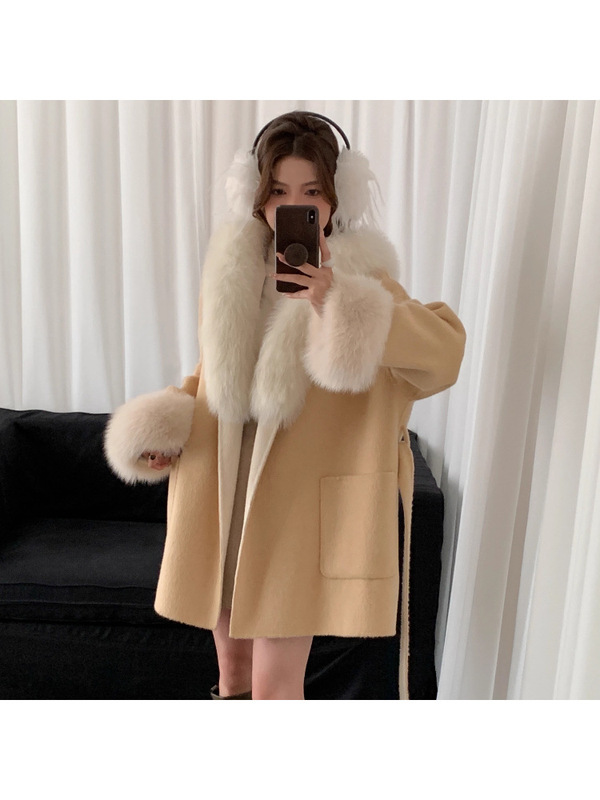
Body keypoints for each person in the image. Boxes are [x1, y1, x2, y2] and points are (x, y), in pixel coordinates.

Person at [104, 110, 466, 700]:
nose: (293, 205)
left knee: (276, 689)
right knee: (233, 675)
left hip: (294, 509)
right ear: (255, 195)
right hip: (224, 491)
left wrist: (337, 299)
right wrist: (164, 428)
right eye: (277, 191)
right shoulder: (234, 275)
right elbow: (210, 380)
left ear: (337, 197)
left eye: (311, 192)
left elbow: (443, 357)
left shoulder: (361, 279)